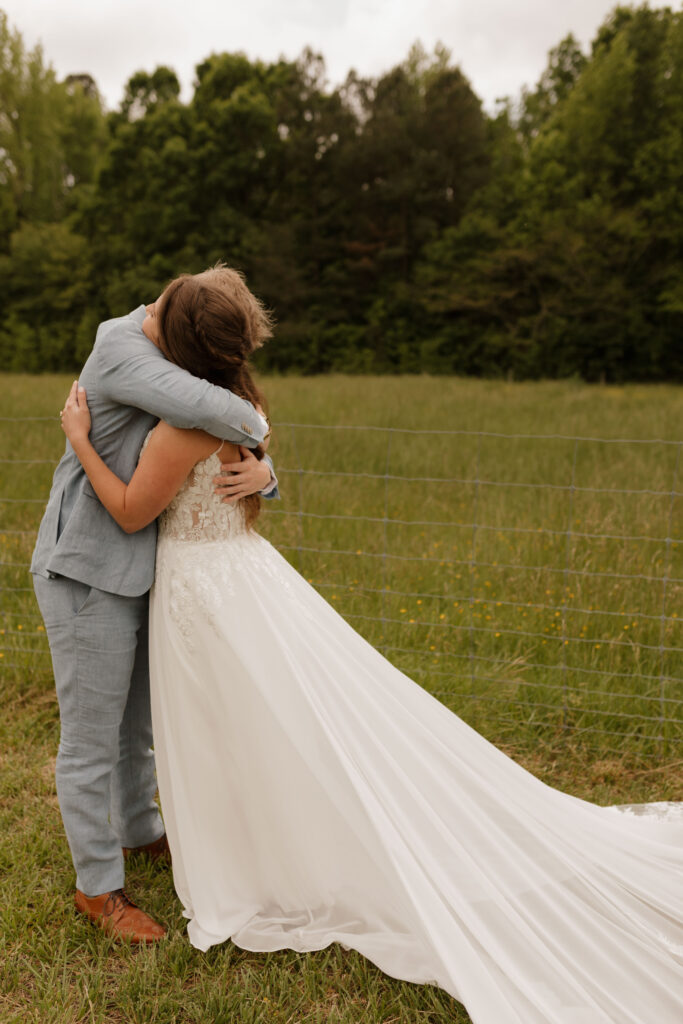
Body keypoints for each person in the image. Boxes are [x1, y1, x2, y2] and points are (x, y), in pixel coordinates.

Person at [60, 266, 683, 1024]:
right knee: (240, 718)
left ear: (180, 350)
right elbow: (242, 433)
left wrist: (79, 441)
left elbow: (133, 510)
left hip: (197, 584)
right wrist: (262, 456)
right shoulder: (229, 398)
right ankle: (156, 847)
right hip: (228, 577)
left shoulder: (186, 421)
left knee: (222, 720)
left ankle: (221, 848)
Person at [31, 263, 279, 943]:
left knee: (135, 723)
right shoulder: (121, 349)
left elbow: (228, 417)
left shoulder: (169, 342)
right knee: (91, 739)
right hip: (89, 569)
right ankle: (98, 889)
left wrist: (267, 469)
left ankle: (141, 832)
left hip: (148, 565)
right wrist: (257, 433)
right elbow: (230, 410)